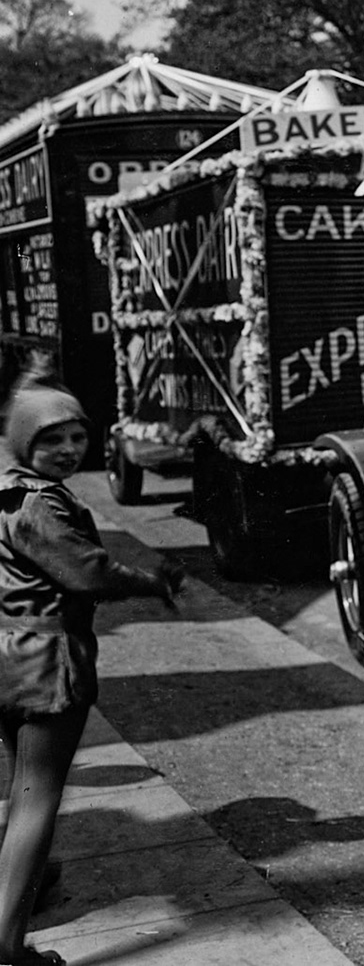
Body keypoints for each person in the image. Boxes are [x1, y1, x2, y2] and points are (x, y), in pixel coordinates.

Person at [0, 378, 182, 966]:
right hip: (47, 664)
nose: (69, 449)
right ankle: (6, 948)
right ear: (25, 440)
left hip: (7, 658)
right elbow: (88, 573)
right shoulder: (41, 503)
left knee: (24, 788)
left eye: (79, 436)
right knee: (37, 799)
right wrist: (149, 582)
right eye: (52, 438)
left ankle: (31, 884)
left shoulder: (7, 493)